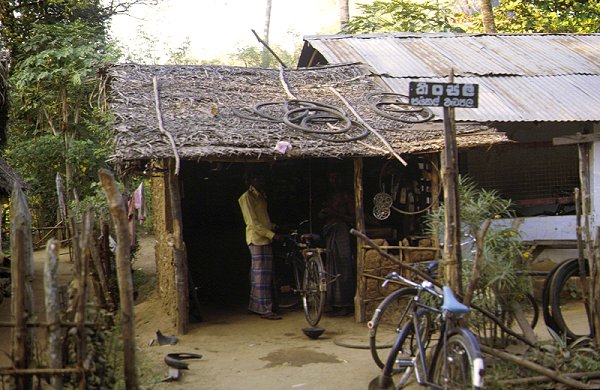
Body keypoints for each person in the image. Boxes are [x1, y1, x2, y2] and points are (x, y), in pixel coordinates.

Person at [238, 168, 282, 320]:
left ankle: (255, 305)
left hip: (264, 238)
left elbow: (264, 219)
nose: (262, 181)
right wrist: (272, 235)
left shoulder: (261, 196)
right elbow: (253, 223)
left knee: (259, 274)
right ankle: (265, 310)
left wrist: (273, 227)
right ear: (251, 181)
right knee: (261, 275)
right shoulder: (247, 198)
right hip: (257, 239)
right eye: (258, 178)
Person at [318, 169, 356, 317]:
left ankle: (345, 303)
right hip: (330, 232)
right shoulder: (329, 197)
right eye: (331, 178)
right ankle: (332, 302)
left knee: (344, 266)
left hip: (342, 232)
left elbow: (353, 218)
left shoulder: (347, 196)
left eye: (337, 177)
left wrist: (335, 213)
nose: (334, 181)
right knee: (331, 267)